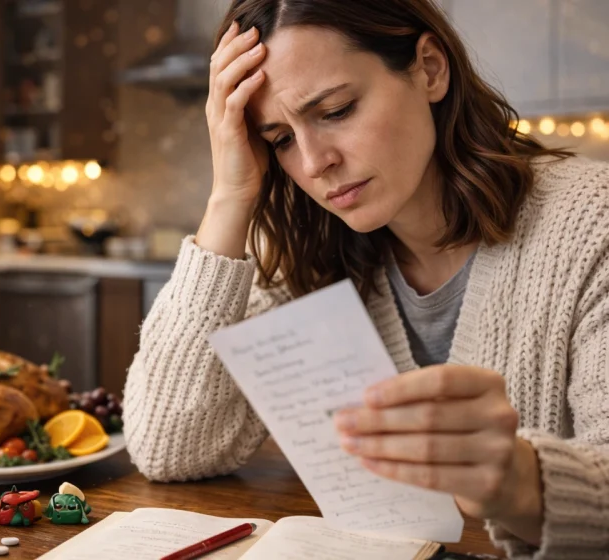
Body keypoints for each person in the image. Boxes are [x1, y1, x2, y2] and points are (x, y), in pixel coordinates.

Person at [121, 0, 609, 558]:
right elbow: (169, 447)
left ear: (429, 68)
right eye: (279, 138)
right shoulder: (305, 250)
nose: (312, 162)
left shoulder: (593, 222)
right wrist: (229, 195)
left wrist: (523, 481)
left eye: (336, 110)